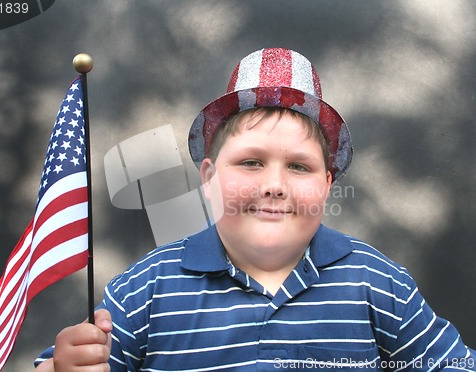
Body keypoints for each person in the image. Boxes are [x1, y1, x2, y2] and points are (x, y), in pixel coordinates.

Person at [35, 48, 475, 371]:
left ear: (326, 185)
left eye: (299, 167)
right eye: (250, 162)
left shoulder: (377, 282)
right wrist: (63, 366)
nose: (274, 186)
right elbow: (66, 361)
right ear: (208, 178)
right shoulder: (147, 288)